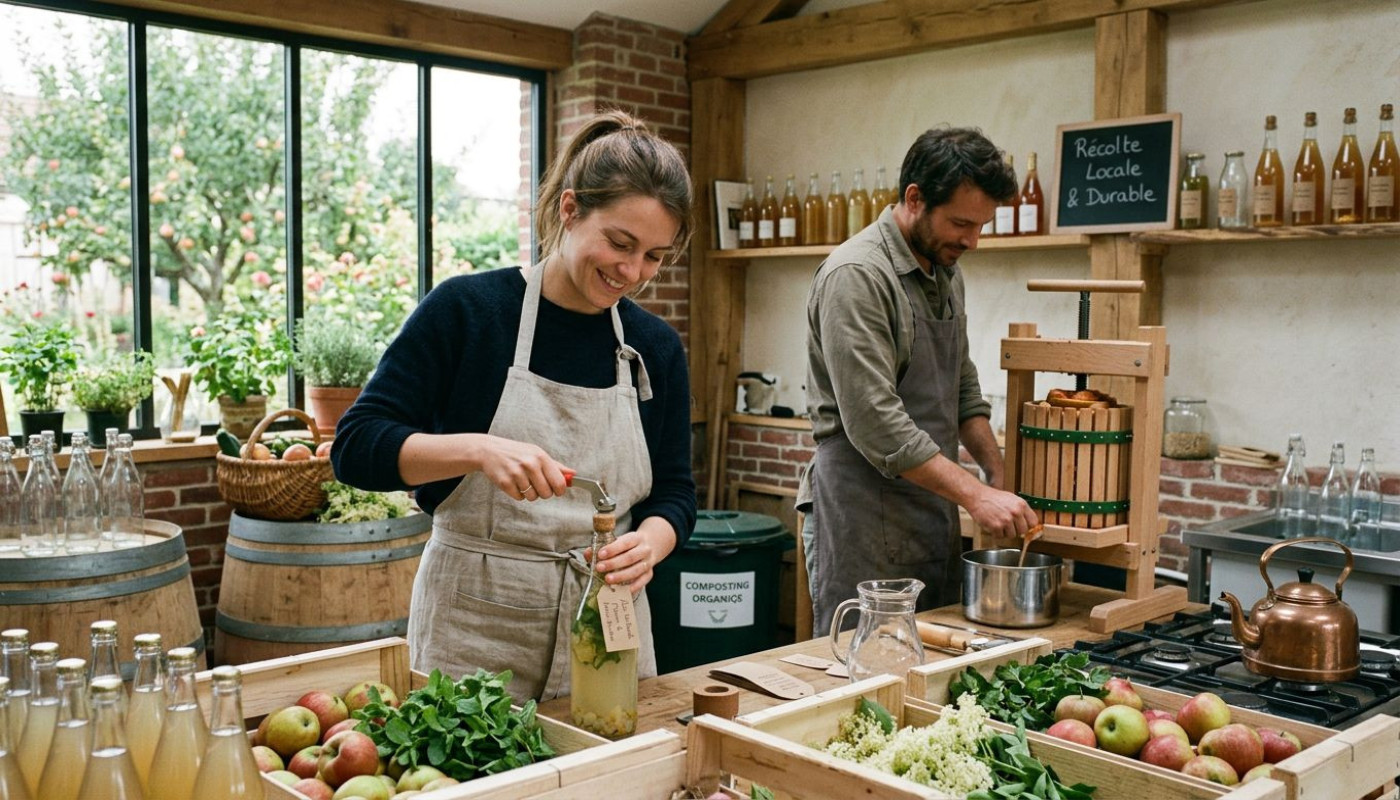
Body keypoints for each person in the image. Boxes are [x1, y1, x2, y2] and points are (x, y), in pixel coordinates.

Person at [332, 110, 697, 702]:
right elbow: (355, 448)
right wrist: (479, 450)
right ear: (569, 209)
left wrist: (651, 543)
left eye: (654, 255)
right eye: (619, 243)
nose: (632, 272)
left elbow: (675, 491)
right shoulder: (469, 312)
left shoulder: (653, 347)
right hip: (473, 627)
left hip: (606, 619)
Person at [798, 126, 1039, 632]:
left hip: (931, 505)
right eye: (961, 223)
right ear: (914, 199)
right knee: (865, 657)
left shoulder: (945, 269)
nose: (971, 241)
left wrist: (996, 471)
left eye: (980, 226)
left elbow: (962, 388)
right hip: (862, 512)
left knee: (933, 656)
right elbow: (876, 422)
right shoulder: (857, 275)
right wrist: (975, 495)